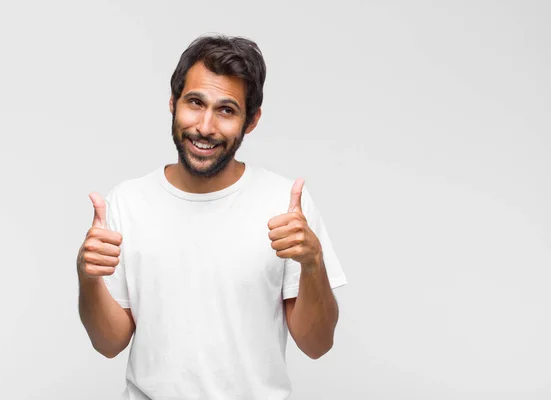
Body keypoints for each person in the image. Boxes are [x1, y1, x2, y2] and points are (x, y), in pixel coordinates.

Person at [76, 34, 348, 400]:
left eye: (226, 110)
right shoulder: (127, 202)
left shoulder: (284, 205)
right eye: (195, 103)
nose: (205, 126)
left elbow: (317, 345)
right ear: (173, 103)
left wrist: (313, 263)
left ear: (251, 121)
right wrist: (88, 278)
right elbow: (109, 343)